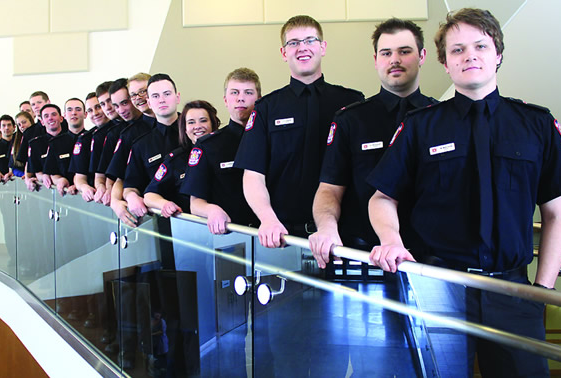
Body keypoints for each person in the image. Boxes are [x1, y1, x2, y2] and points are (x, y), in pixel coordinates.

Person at [367, 8, 561, 376]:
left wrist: (542, 291)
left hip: (515, 292)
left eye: (480, 46)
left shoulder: (537, 124)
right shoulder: (420, 126)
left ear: (497, 54)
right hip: (439, 289)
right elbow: (382, 197)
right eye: (457, 50)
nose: (470, 56)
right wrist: (391, 238)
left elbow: (557, 214)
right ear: (445, 64)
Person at [310, 18, 437, 270]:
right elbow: (329, 190)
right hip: (365, 258)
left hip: (433, 260)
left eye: (405, 51)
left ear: (422, 56)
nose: (395, 60)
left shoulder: (442, 118)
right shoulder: (351, 120)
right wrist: (326, 228)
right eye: (386, 53)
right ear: (375, 59)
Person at [234, 15, 364, 248]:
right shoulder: (266, 108)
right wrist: (268, 220)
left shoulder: (352, 103)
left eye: (309, 40)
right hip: (284, 236)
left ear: (322, 47)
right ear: (284, 53)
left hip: (344, 237)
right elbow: (253, 176)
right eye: (293, 43)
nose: (301, 48)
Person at [181, 68, 261, 234]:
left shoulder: (273, 140)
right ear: (226, 100)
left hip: (275, 235)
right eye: (234, 92)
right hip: (232, 235)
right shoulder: (208, 146)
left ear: (259, 98)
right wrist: (212, 210)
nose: (240, 98)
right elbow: (195, 203)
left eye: (248, 92)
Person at [144, 101, 220, 217]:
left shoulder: (227, 151)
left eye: (203, 120)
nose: (197, 126)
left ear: (213, 124)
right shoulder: (175, 159)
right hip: (190, 229)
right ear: (184, 128)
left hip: (231, 225)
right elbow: (149, 195)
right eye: (191, 122)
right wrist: (164, 204)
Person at [123, 73, 181, 217]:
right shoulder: (141, 145)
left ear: (177, 97)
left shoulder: (195, 132)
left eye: (167, 94)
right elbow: (130, 186)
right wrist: (131, 198)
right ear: (149, 102)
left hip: (204, 220)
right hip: (160, 219)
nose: (161, 100)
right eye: (155, 96)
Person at [105, 78, 152, 227]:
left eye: (125, 103)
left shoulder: (177, 122)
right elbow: (120, 176)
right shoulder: (128, 134)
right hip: (145, 210)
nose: (121, 110)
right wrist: (115, 201)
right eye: (116, 106)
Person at [43, 98, 87, 196]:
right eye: (70, 110)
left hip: (87, 195)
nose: (74, 113)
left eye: (78, 109)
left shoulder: (93, 139)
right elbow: (52, 173)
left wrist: (80, 185)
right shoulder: (55, 143)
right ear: (65, 115)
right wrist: (60, 180)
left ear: (85, 114)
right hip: (64, 196)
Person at [71, 92, 110, 201]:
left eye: (98, 107)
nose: (95, 113)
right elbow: (79, 176)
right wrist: (84, 187)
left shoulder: (121, 133)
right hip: (95, 198)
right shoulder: (85, 139)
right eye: (90, 110)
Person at [91, 81, 124, 205]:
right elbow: (99, 176)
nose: (108, 107)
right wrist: (102, 188)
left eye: (109, 101)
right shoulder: (103, 135)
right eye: (102, 104)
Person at [25, 104, 65, 191]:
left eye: (54, 114)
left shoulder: (72, 140)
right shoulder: (35, 144)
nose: (50, 118)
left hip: (69, 189)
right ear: (42, 122)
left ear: (61, 118)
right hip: (47, 191)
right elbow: (35, 170)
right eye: (46, 116)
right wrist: (42, 176)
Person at [4, 111, 33, 181]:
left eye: (24, 122)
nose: (22, 126)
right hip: (21, 177)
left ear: (31, 121)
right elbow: (13, 164)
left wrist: (27, 175)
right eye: (19, 124)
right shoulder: (16, 139)